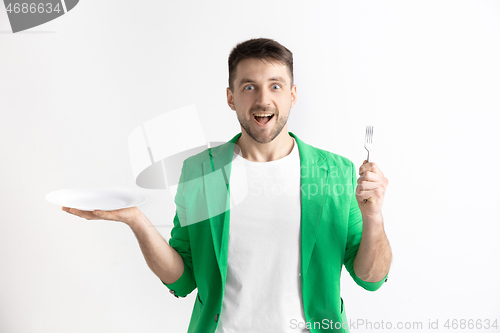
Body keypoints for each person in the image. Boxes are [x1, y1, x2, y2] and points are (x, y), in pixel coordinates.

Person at [63, 38, 392, 333]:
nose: (263, 99)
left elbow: (371, 278)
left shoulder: (336, 172)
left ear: (292, 95)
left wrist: (374, 216)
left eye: (275, 86)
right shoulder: (199, 172)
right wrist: (136, 220)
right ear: (231, 97)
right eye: (249, 87)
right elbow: (183, 279)